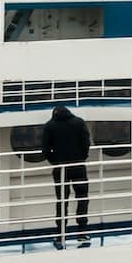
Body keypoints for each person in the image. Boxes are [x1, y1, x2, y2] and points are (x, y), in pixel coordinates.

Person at [40, 105, 90, 248]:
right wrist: (81, 158)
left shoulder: (50, 126)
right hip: (78, 166)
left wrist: (55, 161)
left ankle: (60, 233)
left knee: (62, 200)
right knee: (82, 198)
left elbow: (45, 149)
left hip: (60, 168)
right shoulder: (79, 122)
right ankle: (82, 232)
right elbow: (86, 143)